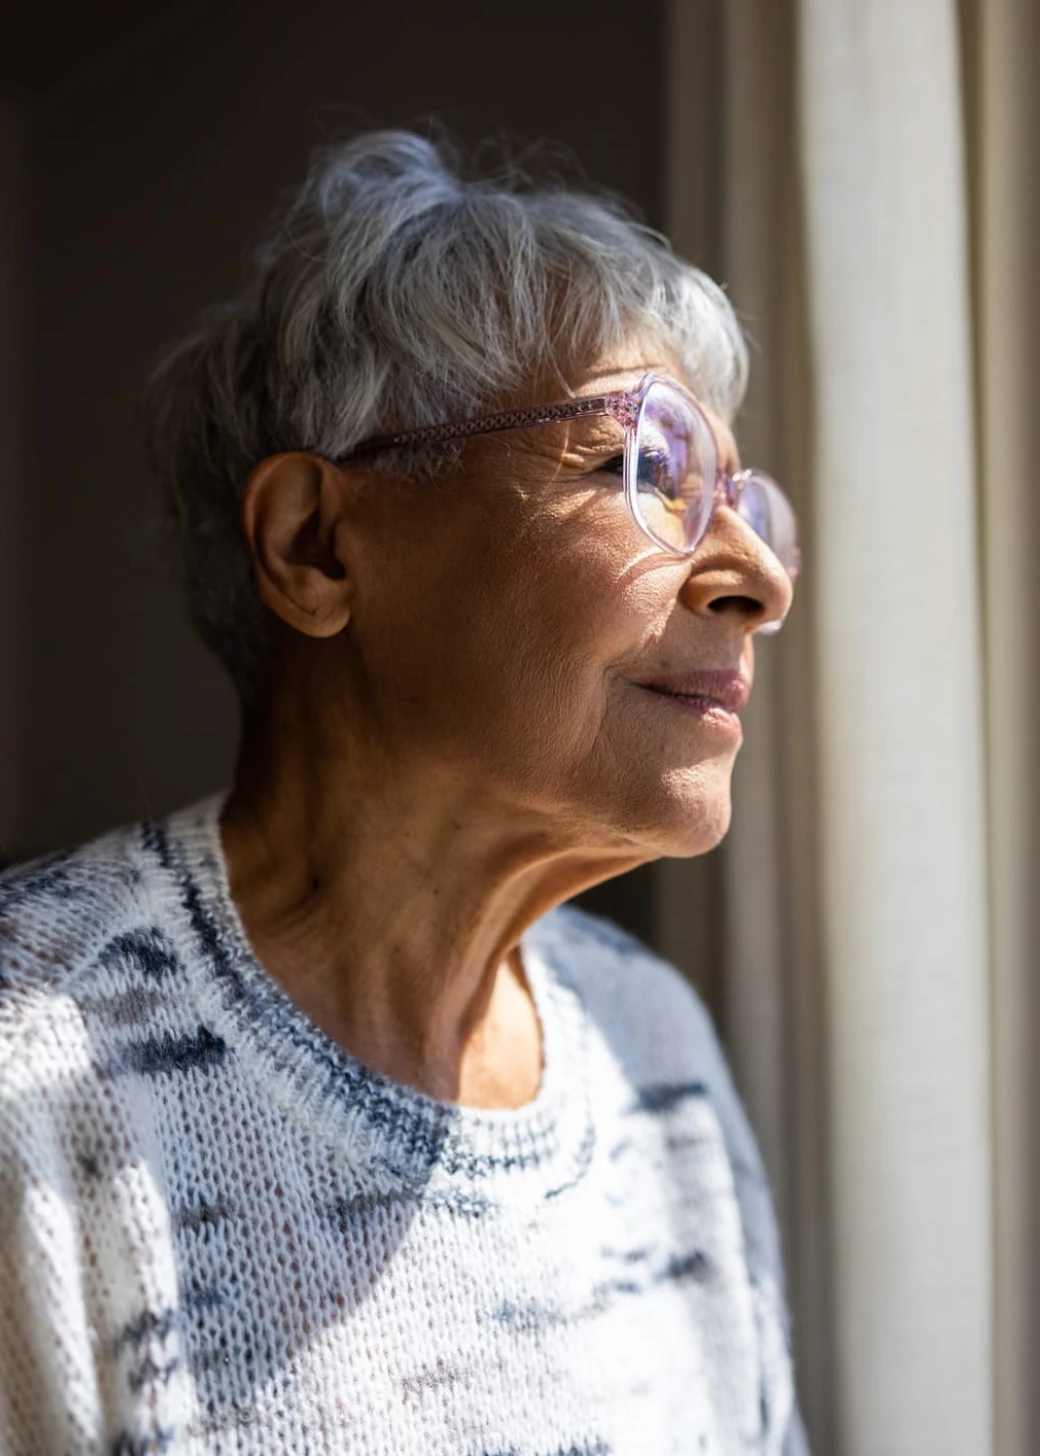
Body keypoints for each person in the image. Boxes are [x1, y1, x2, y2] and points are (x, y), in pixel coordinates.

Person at [0, 130, 806, 1455]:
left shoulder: (654, 1051)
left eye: (742, 502)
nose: (756, 583)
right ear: (316, 546)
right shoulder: (37, 1074)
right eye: (638, 470)